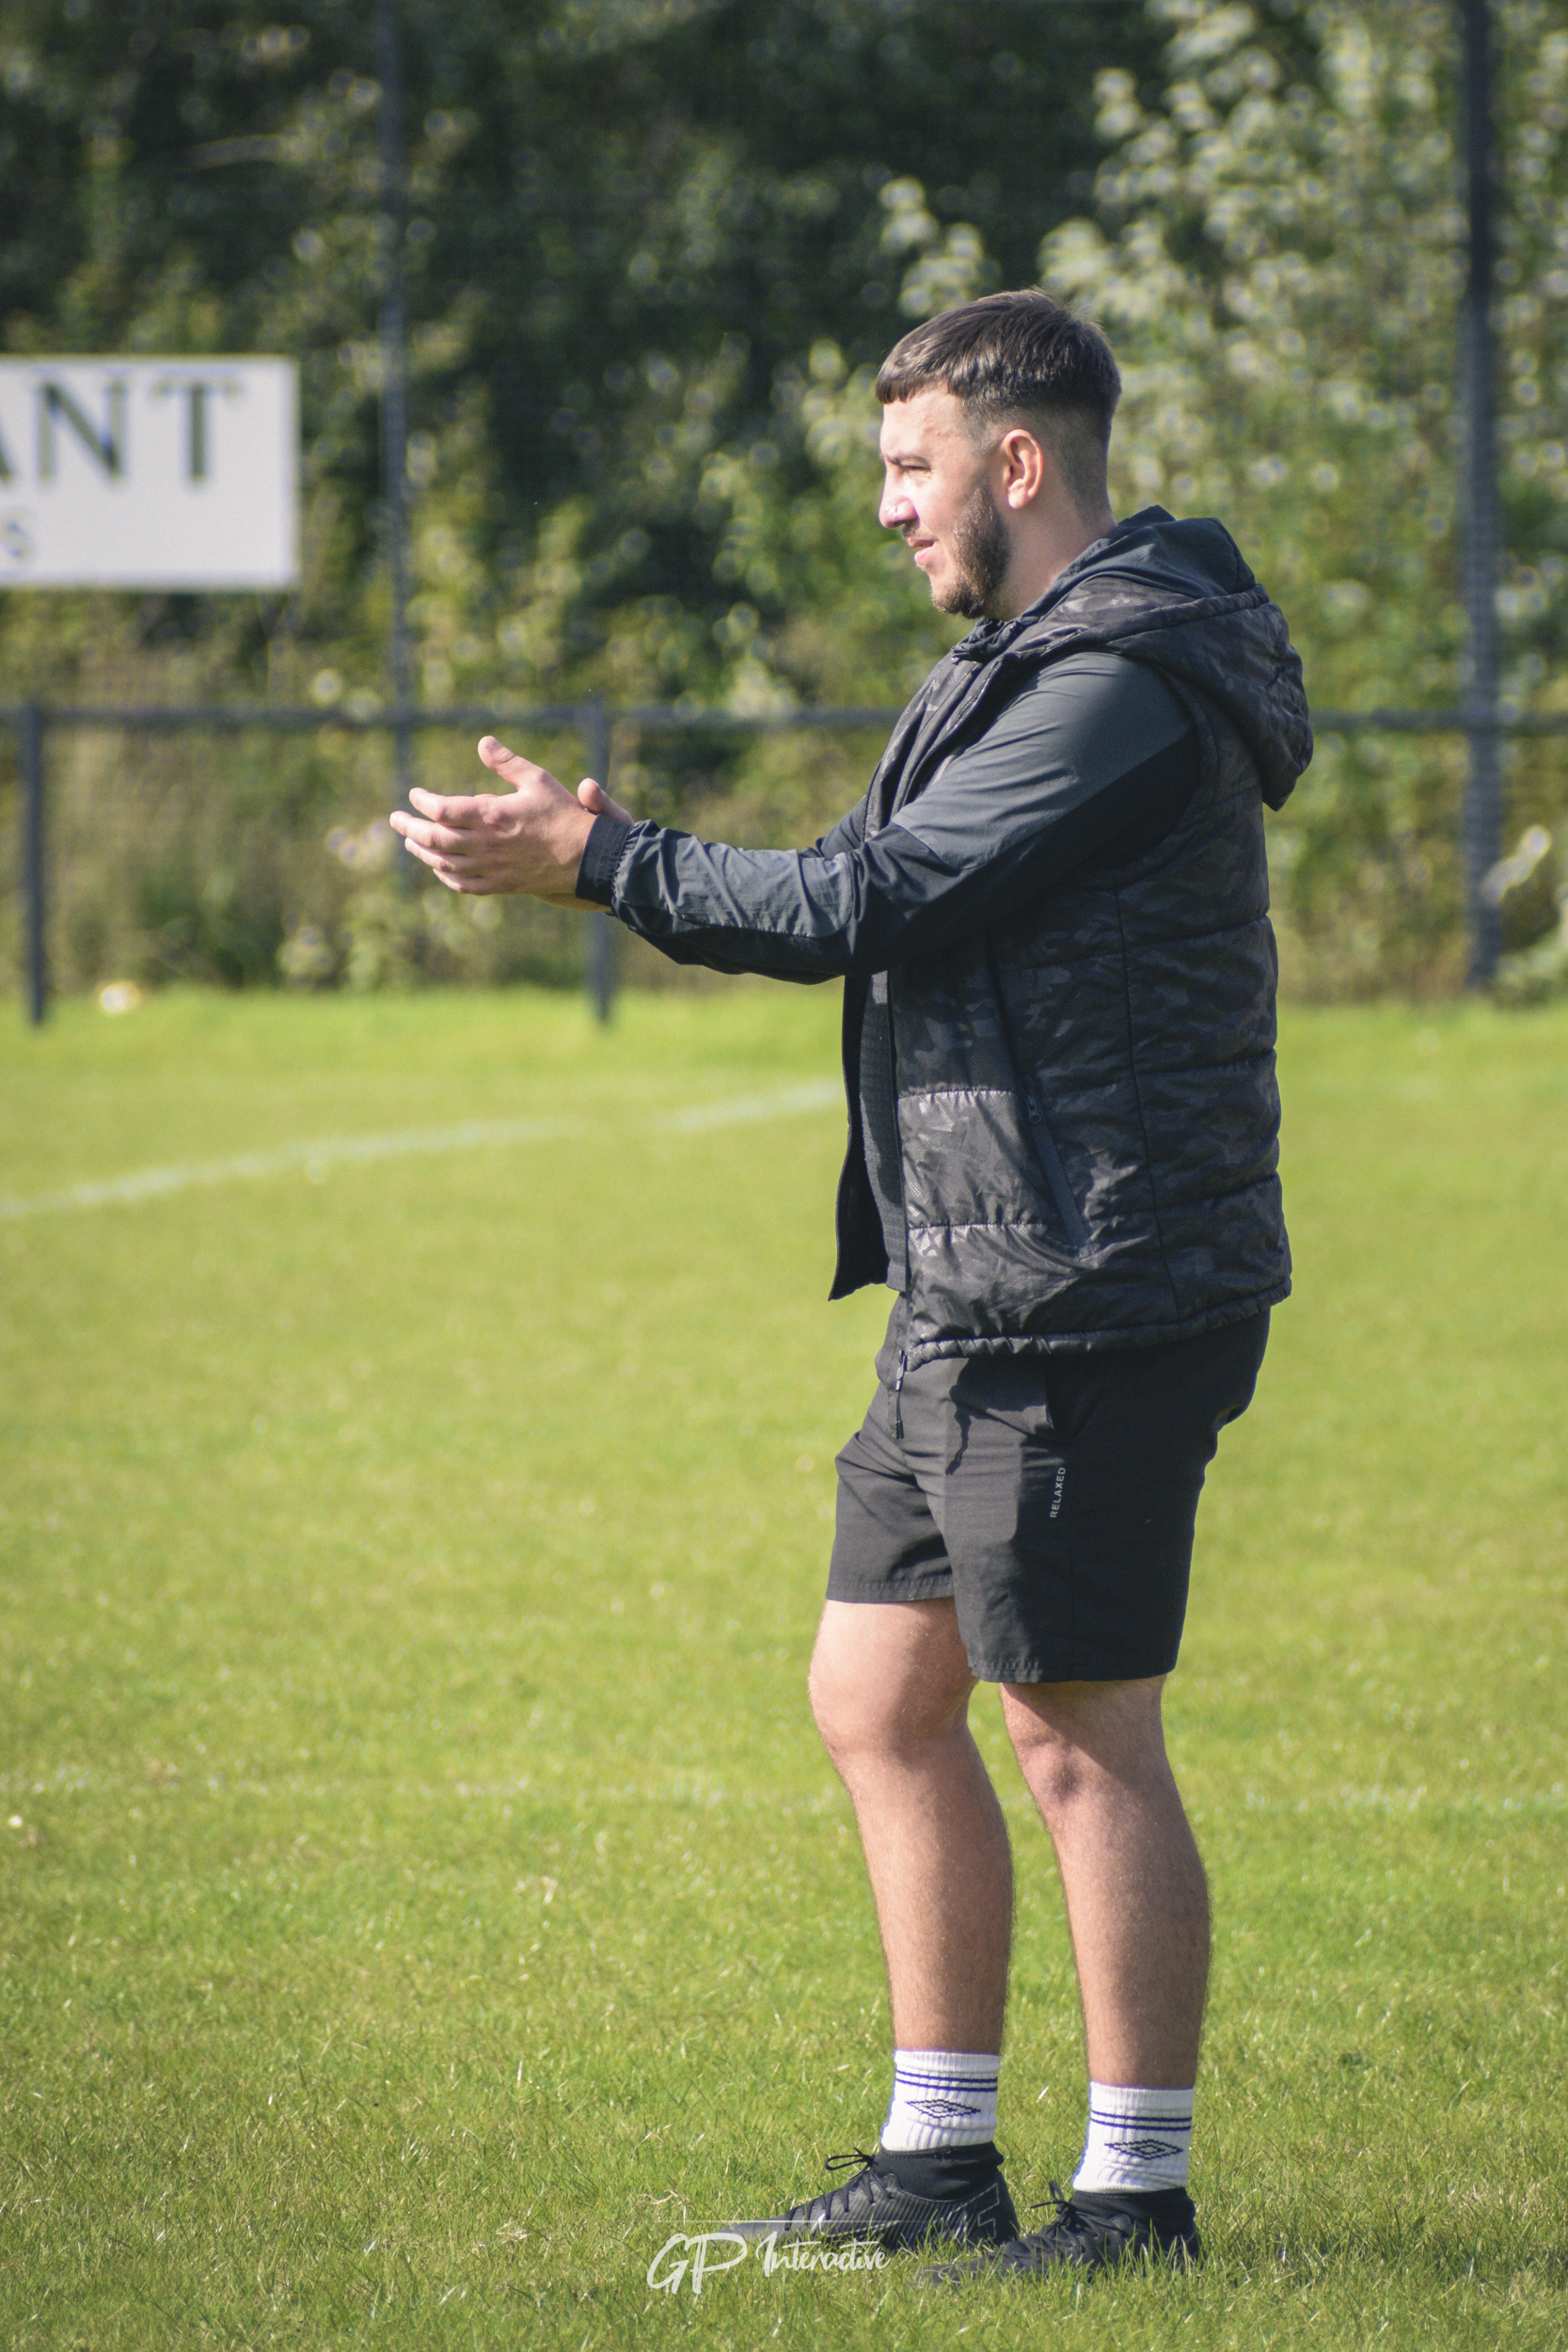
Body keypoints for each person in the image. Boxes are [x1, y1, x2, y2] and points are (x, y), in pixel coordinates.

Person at [389, 289, 1310, 2285]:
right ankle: (937, 2160)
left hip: (1090, 1287)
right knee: (877, 1693)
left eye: (911, 466)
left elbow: (864, 901)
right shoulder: (1016, 664)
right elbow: (854, 872)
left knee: (1077, 1732)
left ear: (1016, 460)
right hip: (974, 1280)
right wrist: (606, 852)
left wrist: (603, 859)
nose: (890, 506)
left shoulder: (1119, 685)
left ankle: (1134, 2201)